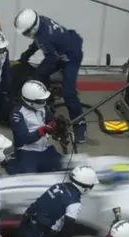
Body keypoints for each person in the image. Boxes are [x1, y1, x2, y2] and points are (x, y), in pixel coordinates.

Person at [14, 8, 86, 144]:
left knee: (69, 93)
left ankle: (80, 125)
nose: (26, 35)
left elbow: (50, 59)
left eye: (26, 32)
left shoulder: (46, 37)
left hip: (71, 57)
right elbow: (37, 42)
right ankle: (47, 103)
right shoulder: (40, 22)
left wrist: (38, 73)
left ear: (32, 28)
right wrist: (26, 55)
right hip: (61, 50)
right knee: (40, 75)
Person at [5, 80, 61, 174]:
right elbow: (23, 138)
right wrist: (43, 130)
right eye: (41, 100)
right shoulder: (17, 113)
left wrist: (57, 125)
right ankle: (11, 160)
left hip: (45, 148)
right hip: (27, 150)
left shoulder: (43, 107)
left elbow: (51, 121)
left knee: (59, 171)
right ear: (30, 101)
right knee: (29, 177)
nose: (44, 102)